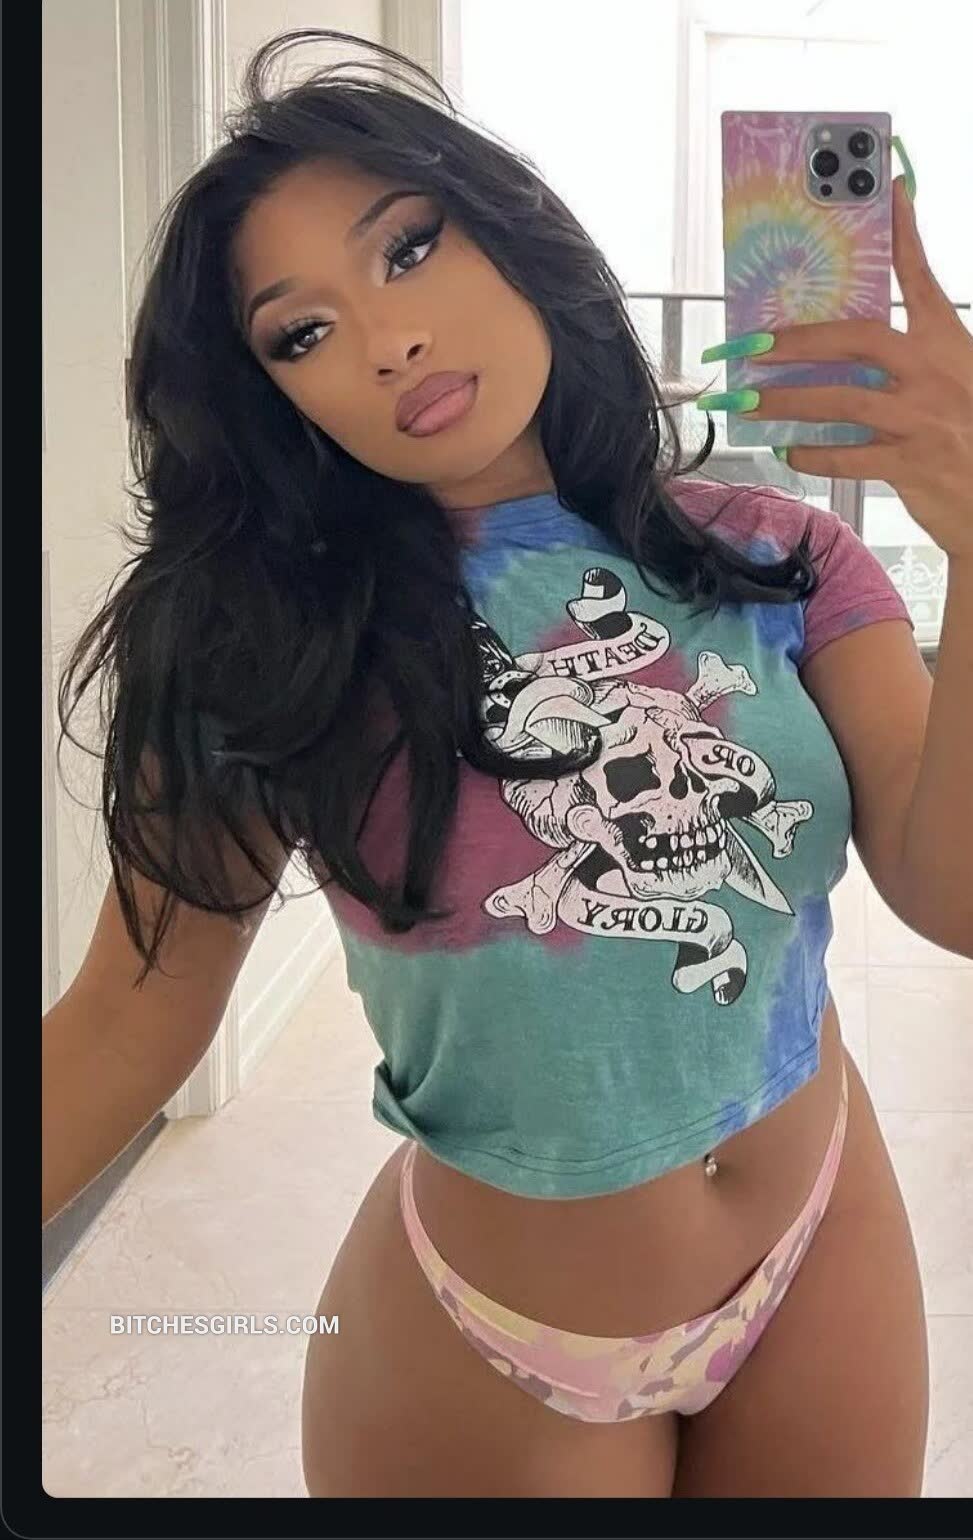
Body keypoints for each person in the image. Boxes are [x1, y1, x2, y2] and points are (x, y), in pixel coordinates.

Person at [48, 27, 963, 1498]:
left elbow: (952, 893)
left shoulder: (780, 555)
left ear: (513, 233)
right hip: (490, 1333)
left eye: (408, 249)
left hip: (822, 1240)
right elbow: (122, 1026)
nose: (387, 340)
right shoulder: (266, 639)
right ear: (273, 398)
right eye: (301, 333)